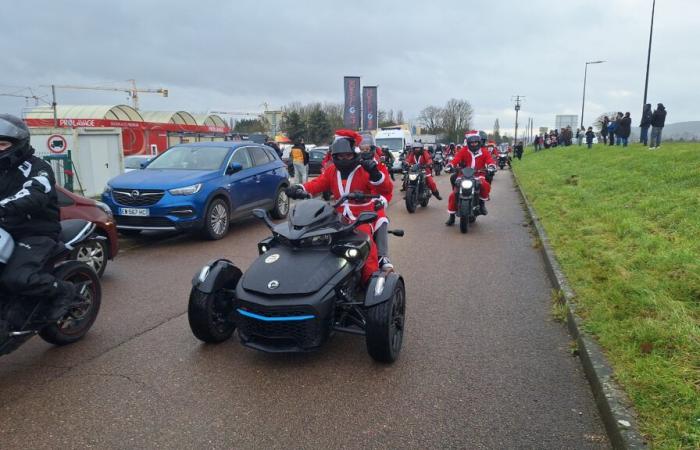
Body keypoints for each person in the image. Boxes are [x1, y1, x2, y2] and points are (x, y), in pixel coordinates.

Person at [285, 130, 393, 282]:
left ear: (355, 154)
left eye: (347, 155)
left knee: (365, 245)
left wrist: (375, 174)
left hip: (362, 216)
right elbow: (317, 183)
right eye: (339, 156)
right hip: (337, 216)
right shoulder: (331, 171)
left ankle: (370, 281)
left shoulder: (365, 168)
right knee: (317, 242)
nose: (343, 159)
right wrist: (300, 188)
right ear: (334, 157)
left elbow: (386, 189)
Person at [0, 114, 77, 321]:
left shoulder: (38, 168)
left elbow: (34, 192)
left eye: (2, 143)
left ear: (19, 144)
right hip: (5, 229)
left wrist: (3, 207)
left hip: (35, 230)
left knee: (17, 278)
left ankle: (63, 291)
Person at [358, 133, 394, 271]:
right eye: (362, 149)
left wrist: (382, 200)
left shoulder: (379, 164)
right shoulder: (352, 163)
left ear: (373, 149)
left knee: (381, 218)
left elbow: (387, 189)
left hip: (373, 202)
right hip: (352, 202)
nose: (364, 152)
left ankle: (382, 255)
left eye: (367, 149)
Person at [444, 133, 494, 225]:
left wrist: (491, 166)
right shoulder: (463, 151)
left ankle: (482, 203)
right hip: (463, 175)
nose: (474, 144)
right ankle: (451, 217)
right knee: (453, 194)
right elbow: (456, 159)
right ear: (468, 143)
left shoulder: (484, 151)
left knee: (485, 184)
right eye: (472, 142)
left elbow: (490, 160)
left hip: (478, 175)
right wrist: (450, 165)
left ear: (479, 142)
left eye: (475, 142)